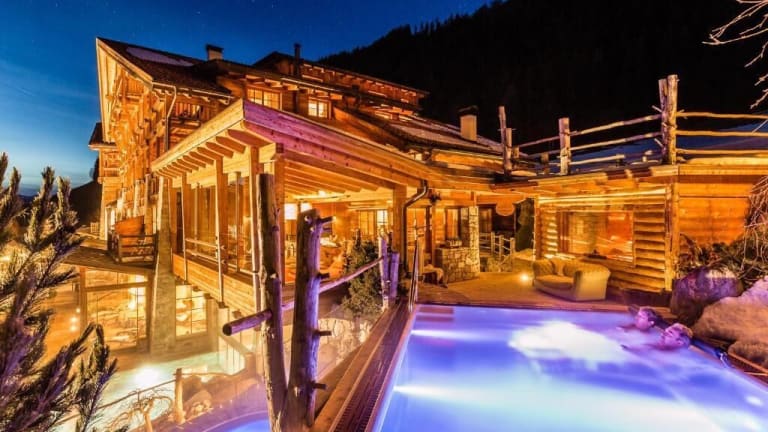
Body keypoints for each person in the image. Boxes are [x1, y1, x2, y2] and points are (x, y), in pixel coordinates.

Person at [622, 323, 694, 352]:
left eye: (669, 334)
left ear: (679, 343)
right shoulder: (656, 347)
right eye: (664, 331)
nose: (662, 334)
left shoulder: (677, 360)